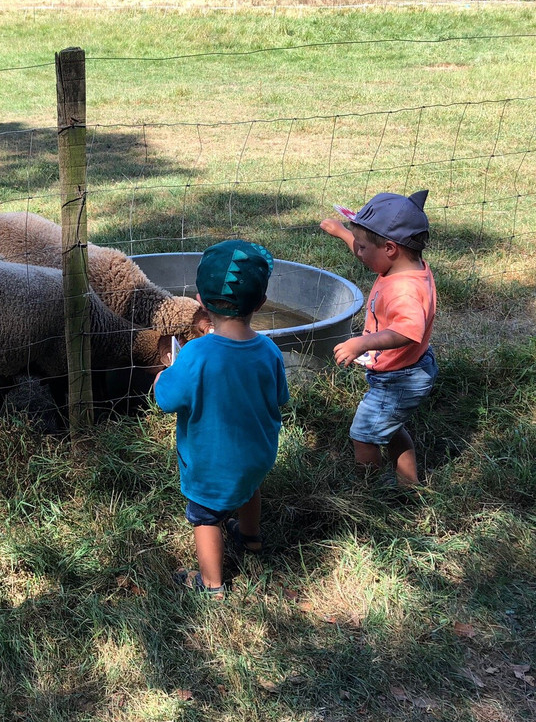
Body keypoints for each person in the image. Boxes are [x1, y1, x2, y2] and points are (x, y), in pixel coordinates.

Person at [153, 240, 289, 596]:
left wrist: (160, 376)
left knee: (206, 515)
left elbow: (167, 400)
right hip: (257, 456)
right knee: (248, 489)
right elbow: (279, 398)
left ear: (199, 298)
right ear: (260, 304)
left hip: (212, 463)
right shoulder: (269, 350)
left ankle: (211, 584)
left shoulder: (196, 353)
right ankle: (250, 539)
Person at [320, 190, 438, 488]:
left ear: (389, 248)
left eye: (361, 247)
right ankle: (408, 484)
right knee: (389, 427)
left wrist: (362, 343)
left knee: (363, 435)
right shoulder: (401, 266)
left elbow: (408, 331)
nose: (357, 252)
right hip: (401, 370)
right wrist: (344, 233)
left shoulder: (405, 290)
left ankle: (367, 493)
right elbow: (369, 251)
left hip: (400, 378)